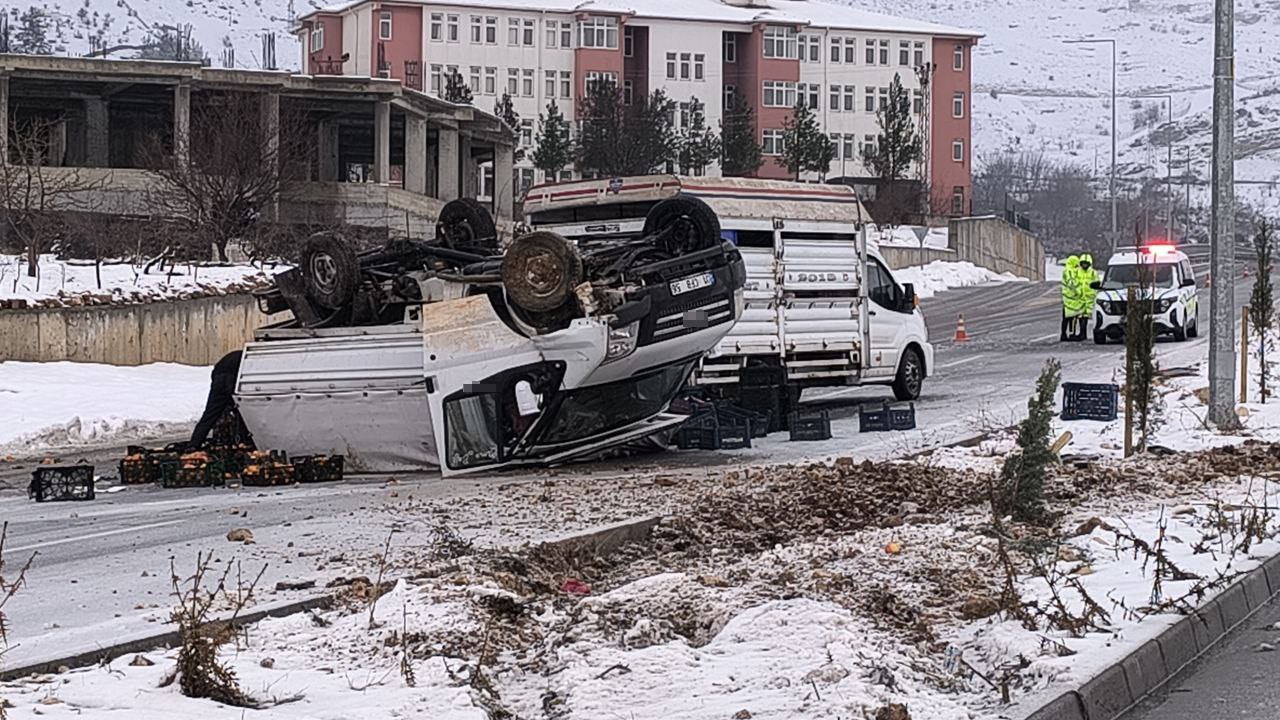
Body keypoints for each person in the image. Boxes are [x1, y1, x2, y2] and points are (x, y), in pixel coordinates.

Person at [189, 350, 243, 450]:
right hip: (234, 376)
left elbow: (214, 373)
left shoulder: (234, 355)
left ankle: (193, 445)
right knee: (243, 412)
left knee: (210, 414)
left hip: (219, 377)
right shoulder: (248, 359)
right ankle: (243, 441)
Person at [1076, 253, 1100, 340]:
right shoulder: (1077, 272)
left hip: (1090, 299)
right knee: (1080, 317)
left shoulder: (1093, 273)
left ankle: (1084, 333)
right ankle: (1082, 333)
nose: (1084, 265)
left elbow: (1097, 284)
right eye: (1083, 263)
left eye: (1086, 263)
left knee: (1087, 317)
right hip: (1080, 298)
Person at [1060, 255, 1081, 341]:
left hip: (1067, 298)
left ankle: (1064, 334)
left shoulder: (1067, 270)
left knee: (1066, 318)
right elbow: (1071, 283)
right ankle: (1070, 334)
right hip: (1072, 298)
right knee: (1072, 318)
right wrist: (1078, 292)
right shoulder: (1070, 271)